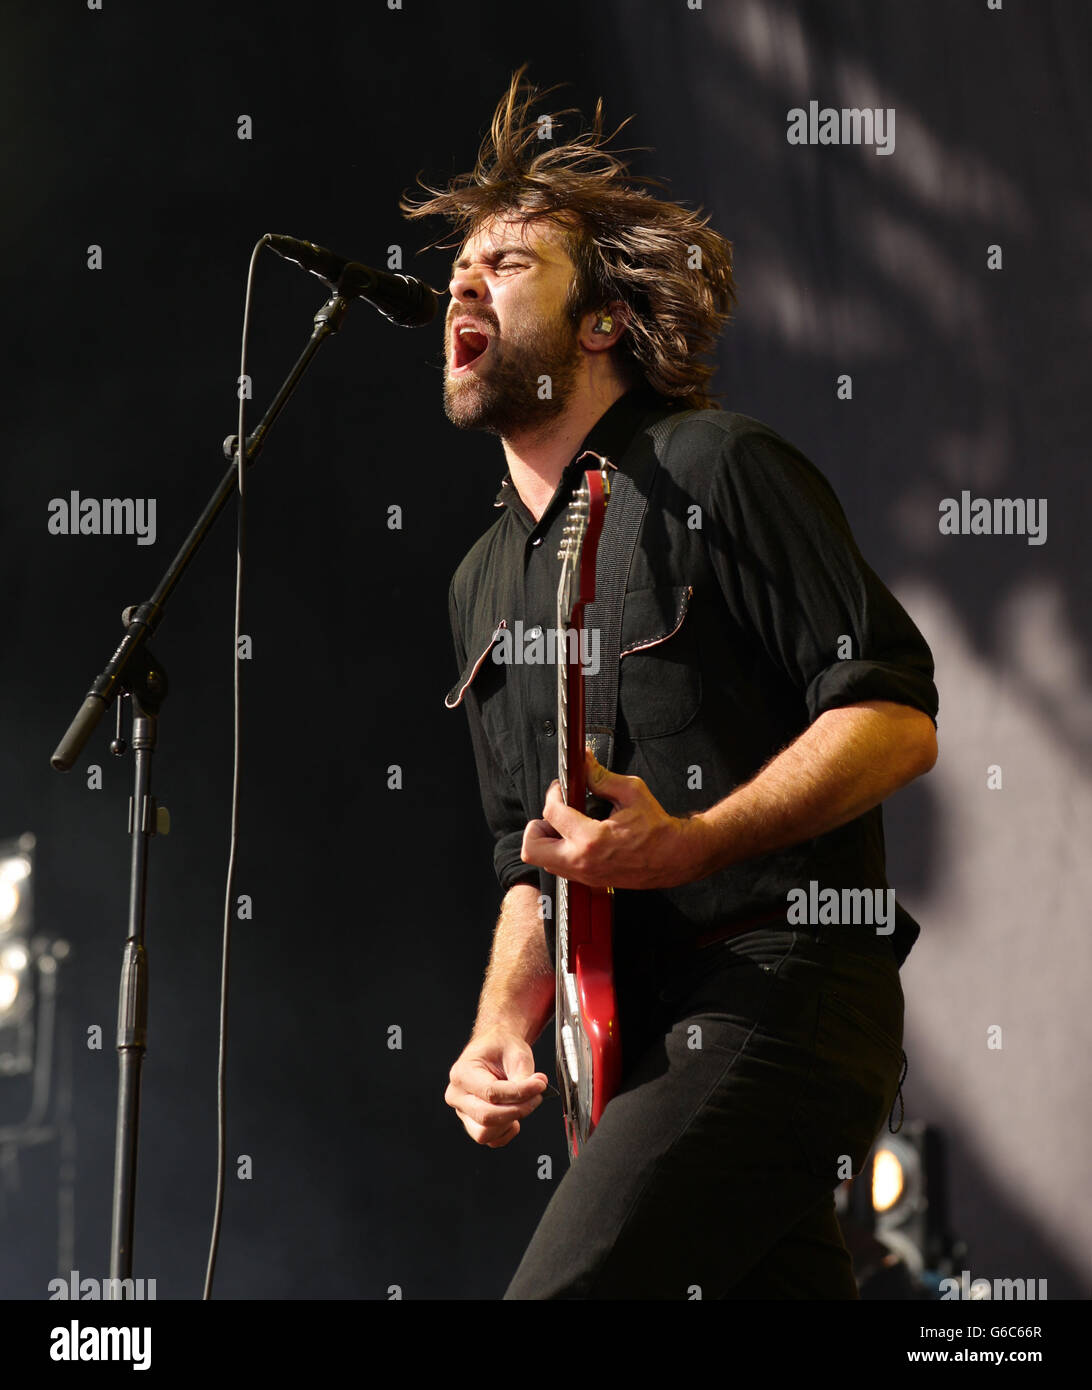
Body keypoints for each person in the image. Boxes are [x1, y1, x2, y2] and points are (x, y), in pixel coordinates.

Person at [400, 66, 939, 1299]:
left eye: (507, 264)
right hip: (630, 1047)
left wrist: (694, 840)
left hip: (778, 992)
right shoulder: (479, 584)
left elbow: (895, 718)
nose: (461, 286)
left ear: (602, 323)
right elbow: (535, 865)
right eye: (455, 273)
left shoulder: (719, 465)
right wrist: (499, 1029)